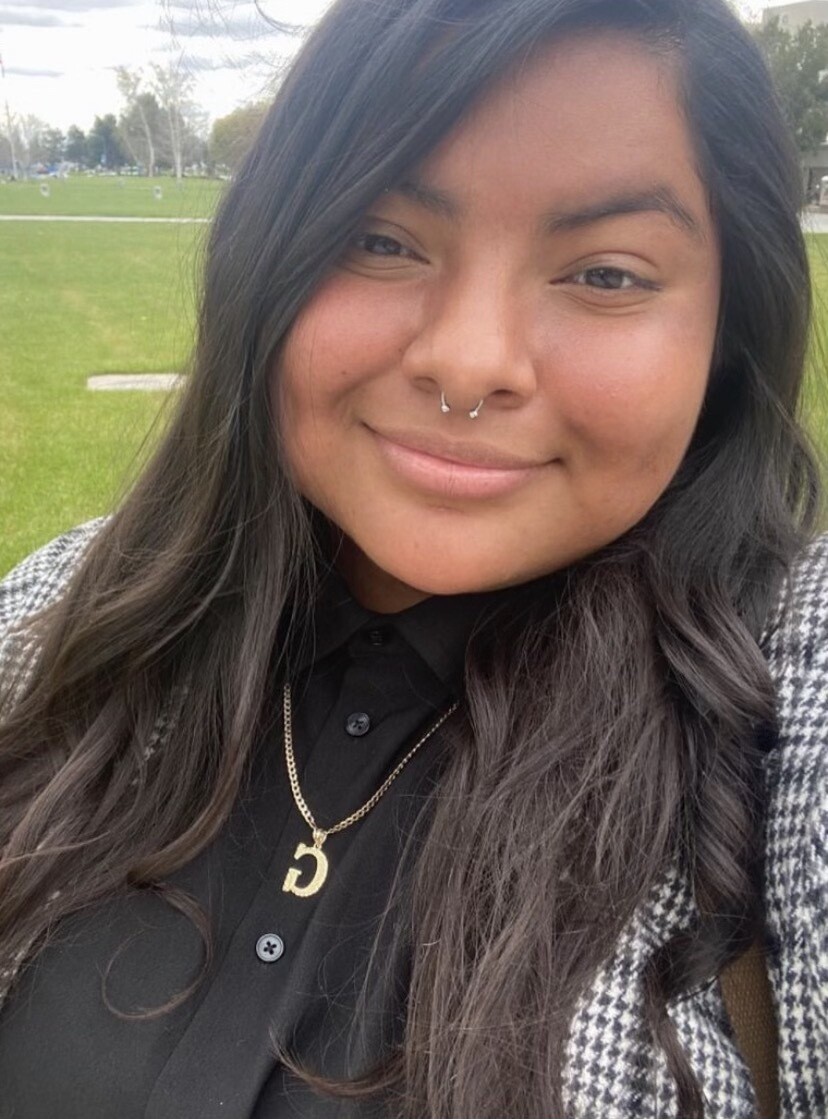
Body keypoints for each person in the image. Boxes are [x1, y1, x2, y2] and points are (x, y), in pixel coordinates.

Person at [0, 0, 825, 1116]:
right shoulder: (54, 619)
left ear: (729, 326)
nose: (468, 363)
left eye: (607, 274)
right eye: (381, 240)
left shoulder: (790, 707)